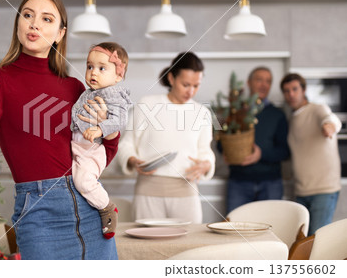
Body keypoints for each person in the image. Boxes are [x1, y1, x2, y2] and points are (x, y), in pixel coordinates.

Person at [0, 0, 120, 260]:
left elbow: (102, 147)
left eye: (47, 19)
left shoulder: (74, 88)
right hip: (38, 212)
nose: (34, 23)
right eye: (27, 15)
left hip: (89, 208)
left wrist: (111, 132)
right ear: (19, 25)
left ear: (60, 33)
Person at [118, 52, 215, 223]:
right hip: (148, 190)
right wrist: (132, 160)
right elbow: (126, 144)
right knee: (146, 246)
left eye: (196, 85)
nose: (191, 91)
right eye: (186, 84)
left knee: (187, 245)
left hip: (187, 191)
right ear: (171, 78)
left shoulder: (202, 112)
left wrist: (206, 164)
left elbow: (205, 151)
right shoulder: (147, 105)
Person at [71, 42, 132, 239]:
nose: (93, 73)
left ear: (118, 76)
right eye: (90, 67)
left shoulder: (114, 94)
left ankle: (107, 208)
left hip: (92, 150)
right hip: (78, 146)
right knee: (73, 179)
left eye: (101, 68)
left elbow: (119, 120)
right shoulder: (88, 92)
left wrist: (100, 128)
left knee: (83, 181)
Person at [280, 73, 341, 235]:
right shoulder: (292, 119)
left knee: (317, 241)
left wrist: (330, 126)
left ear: (304, 89)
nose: (291, 94)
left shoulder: (317, 109)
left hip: (324, 190)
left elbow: (331, 119)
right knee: (303, 243)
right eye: (286, 91)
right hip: (301, 191)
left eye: (294, 89)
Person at [224, 67, 290, 214]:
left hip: (271, 183)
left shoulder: (277, 115)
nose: (263, 84)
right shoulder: (235, 111)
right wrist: (228, 152)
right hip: (238, 182)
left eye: (268, 81)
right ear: (249, 82)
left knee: (270, 229)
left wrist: (261, 155)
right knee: (235, 229)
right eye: (259, 79)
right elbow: (221, 142)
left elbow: (285, 151)